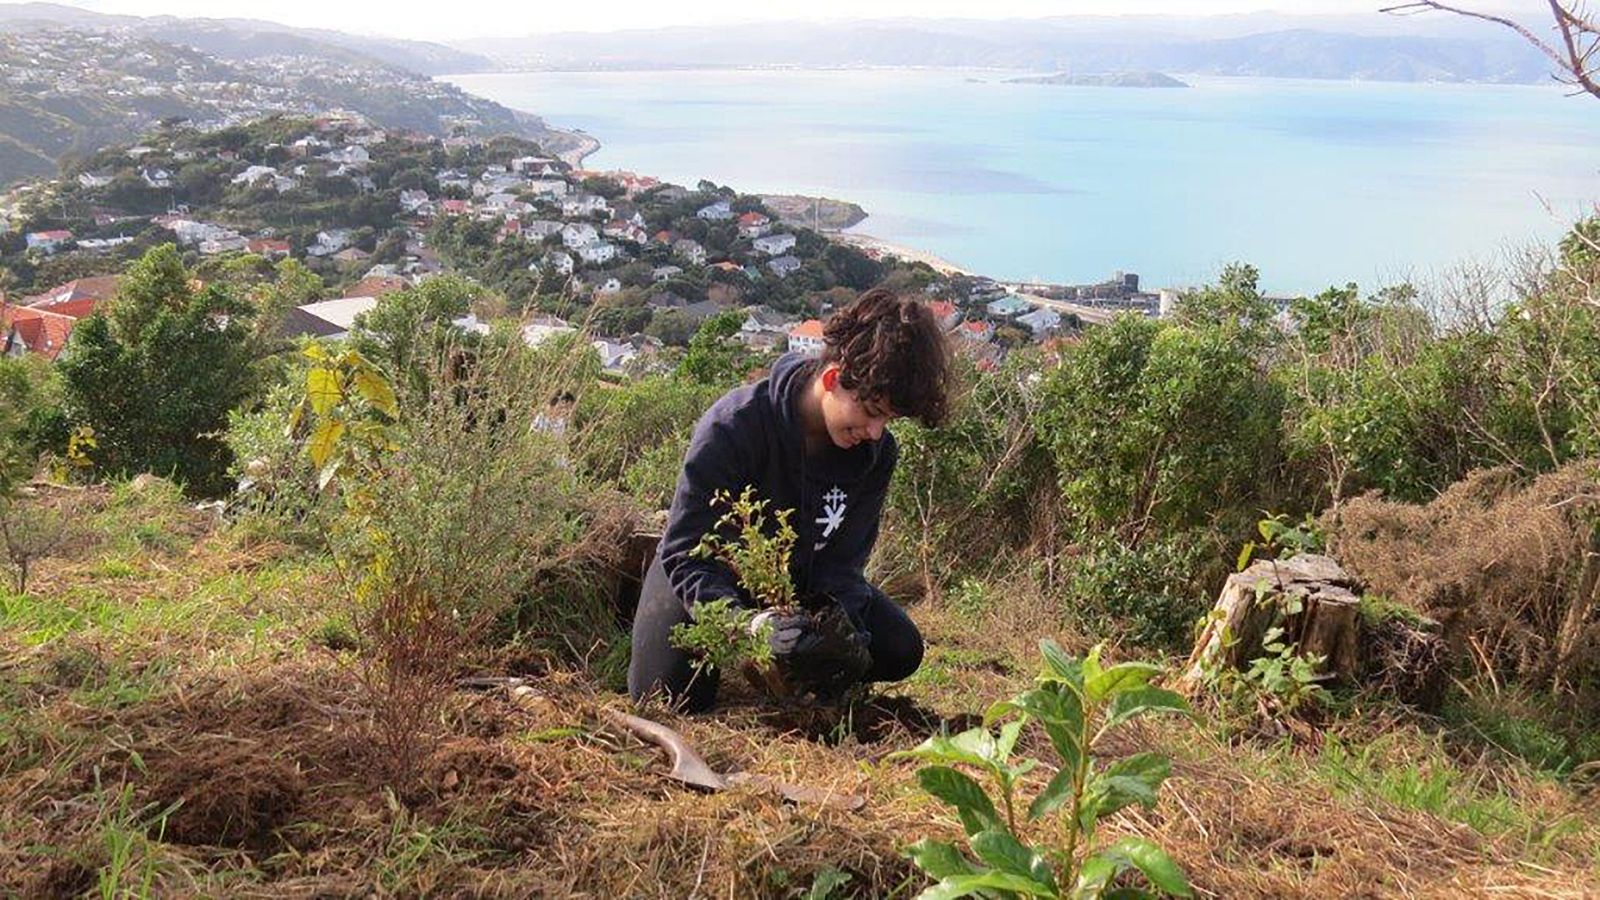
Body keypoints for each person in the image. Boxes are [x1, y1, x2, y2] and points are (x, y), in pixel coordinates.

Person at [628, 287, 952, 712]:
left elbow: (843, 564)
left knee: (899, 649)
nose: (875, 432)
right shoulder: (734, 427)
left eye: (888, 420)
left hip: (800, 587)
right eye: (872, 413)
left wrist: (837, 630)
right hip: (710, 574)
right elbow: (687, 552)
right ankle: (644, 606)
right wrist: (743, 624)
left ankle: (777, 668)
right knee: (667, 697)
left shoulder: (875, 455)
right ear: (834, 379)